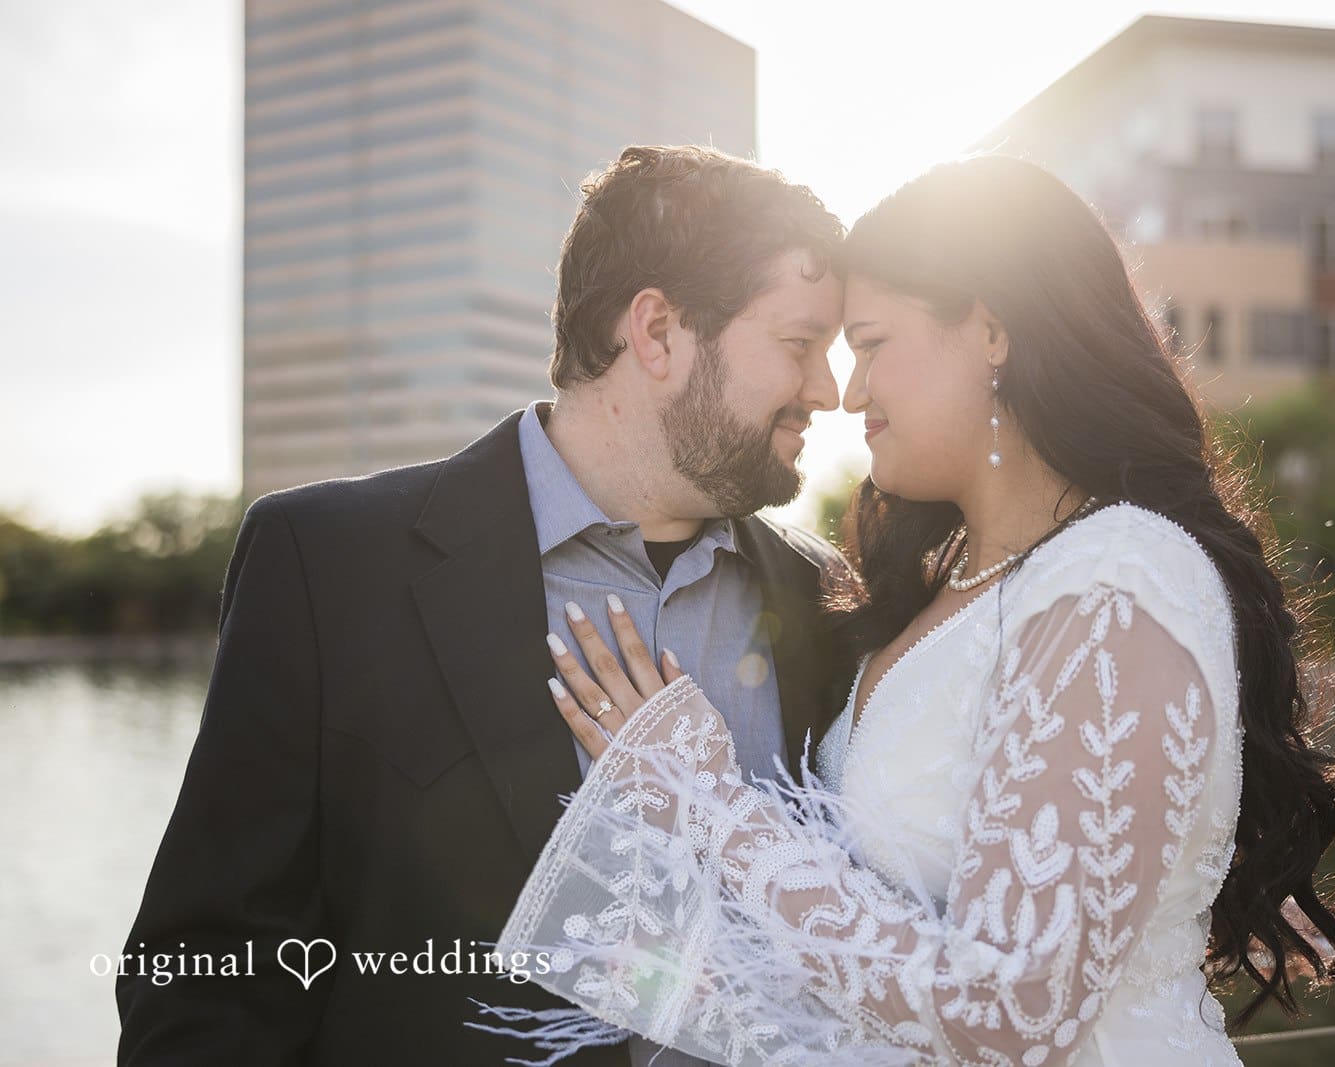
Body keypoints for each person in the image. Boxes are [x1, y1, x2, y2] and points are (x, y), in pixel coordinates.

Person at [486, 156, 1335, 1065]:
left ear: (989, 330)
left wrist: (711, 803)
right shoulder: (943, 586)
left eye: (869, 344)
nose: (849, 392)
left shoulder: (1117, 579)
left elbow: (1010, 1013)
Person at [116, 145, 853, 1066]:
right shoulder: (327, 563)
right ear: (657, 332)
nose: (830, 390)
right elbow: (208, 973)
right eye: (799, 343)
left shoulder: (827, 599)